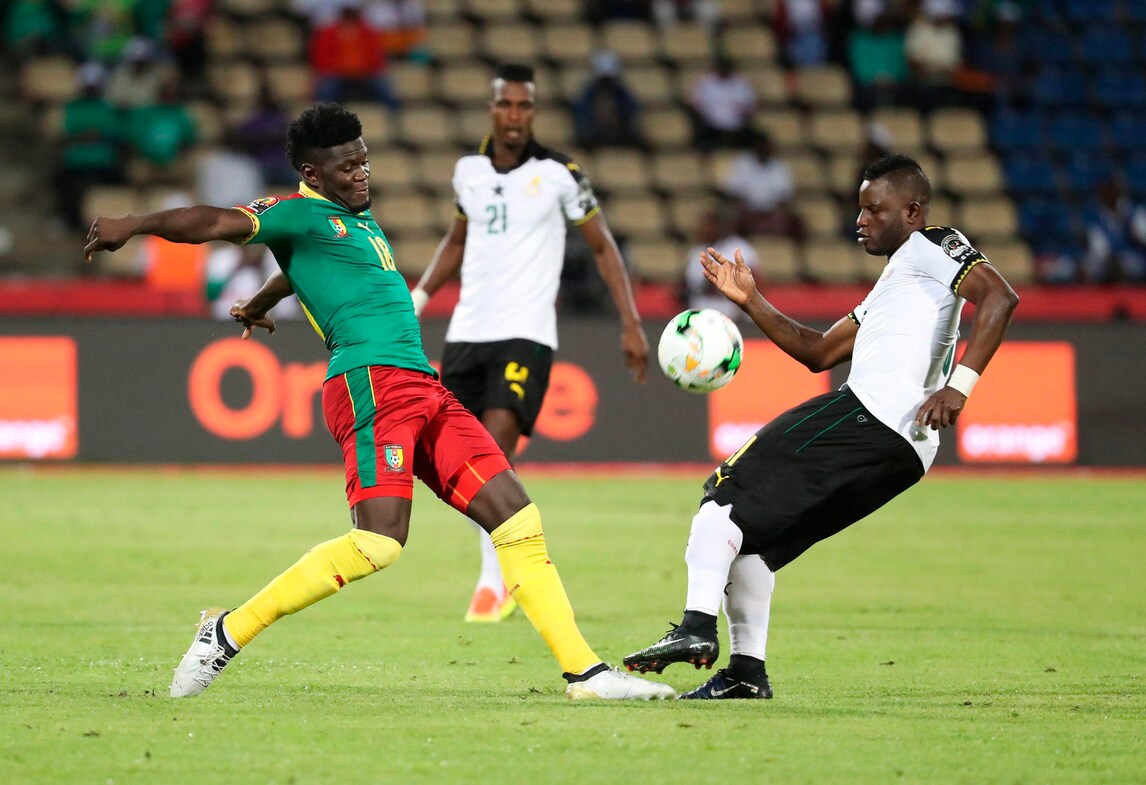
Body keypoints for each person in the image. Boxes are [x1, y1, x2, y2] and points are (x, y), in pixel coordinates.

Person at [83, 102, 673, 702]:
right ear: (312, 174)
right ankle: (227, 632)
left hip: (423, 386)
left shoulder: (350, 219)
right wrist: (134, 223)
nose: (361, 173)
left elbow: (304, 268)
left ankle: (586, 674)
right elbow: (212, 221)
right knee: (379, 543)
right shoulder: (294, 213)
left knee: (518, 520)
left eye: (364, 160)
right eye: (347, 167)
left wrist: (260, 302)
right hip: (371, 385)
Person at [623, 154, 1019, 699]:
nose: (861, 220)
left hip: (870, 415)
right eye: (860, 209)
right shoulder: (895, 283)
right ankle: (745, 674)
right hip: (906, 452)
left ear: (912, 212)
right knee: (753, 543)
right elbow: (818, 351)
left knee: (724, 494)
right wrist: (752, 301)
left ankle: (695, 627)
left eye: (874, 209)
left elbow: (1000, 296)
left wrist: (960, 385)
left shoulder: (933, 245)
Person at [410, 63, 649, 623]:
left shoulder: (561, 173)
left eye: (524, 106)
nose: (515, 115)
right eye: (506, 105)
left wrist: (631, 321)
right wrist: (419, 297)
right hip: (468, 331)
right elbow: (458, 239)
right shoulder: (468, 171)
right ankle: (503, 570)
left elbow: (603, 245)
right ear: (491, 110)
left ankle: (494, 583)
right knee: (458, 460)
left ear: (534, 112)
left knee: (494, 448)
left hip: (527, 332)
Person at [681, 207, 762, 323]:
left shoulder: (740, 249)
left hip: (733, 316)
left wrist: (743, 311)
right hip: (699, 317)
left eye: (707, 225)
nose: (702, 229)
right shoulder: (695, 252)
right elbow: (684, 288)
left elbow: (758, 286)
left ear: (719, 226)